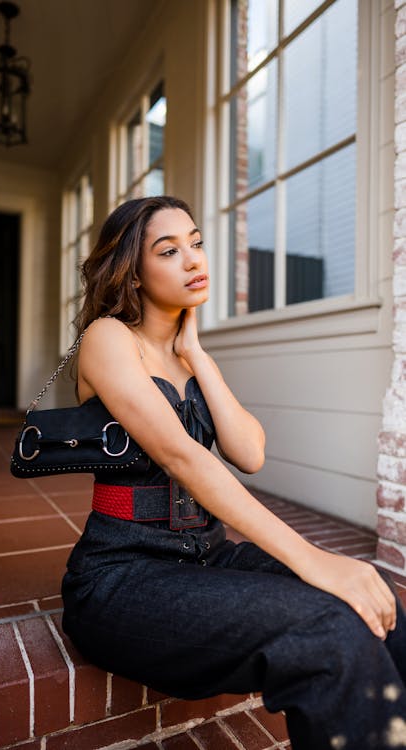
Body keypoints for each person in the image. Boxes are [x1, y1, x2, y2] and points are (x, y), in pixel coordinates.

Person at [61, 195, 406, 749]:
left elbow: (249, 452)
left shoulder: (186, 354)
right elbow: (183, 458)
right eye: (169, 251)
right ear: (133, 271)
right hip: (123, 573)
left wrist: (197, 353)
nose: (195, 259)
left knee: (375, 593)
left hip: (205, 555)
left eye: (196, 243)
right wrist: (314, 559)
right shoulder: (107, 338)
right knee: (330, 625)